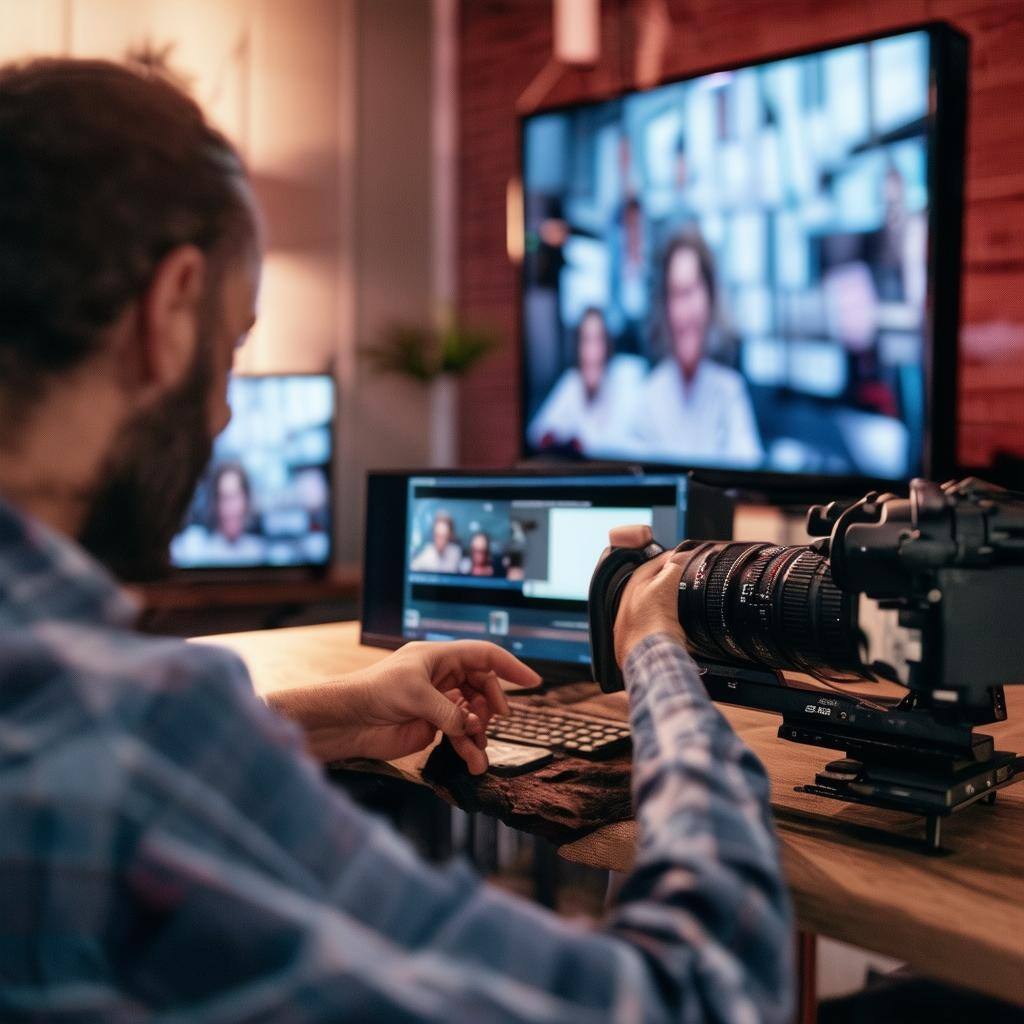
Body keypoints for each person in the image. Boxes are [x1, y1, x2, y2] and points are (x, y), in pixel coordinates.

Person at [0, 58, 793, 1022]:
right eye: (234, 347)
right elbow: (701, 997)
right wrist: (659, 654)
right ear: (170, 311)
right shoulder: (126, 747)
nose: (219, 413)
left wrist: (343, 710)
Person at [632, 230, 764, 466]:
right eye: (675, 294)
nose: (683, 311)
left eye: (691, 291)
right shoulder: (647, 398)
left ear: (710, 297)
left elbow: (751, 485)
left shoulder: (730, 392)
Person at [526, 307, 643, 456]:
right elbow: (537, 435)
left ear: (607, 345)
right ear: (577, 346)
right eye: (586, 340)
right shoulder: (572, 383)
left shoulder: (624, 382)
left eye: (597, 340)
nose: (591, 352)